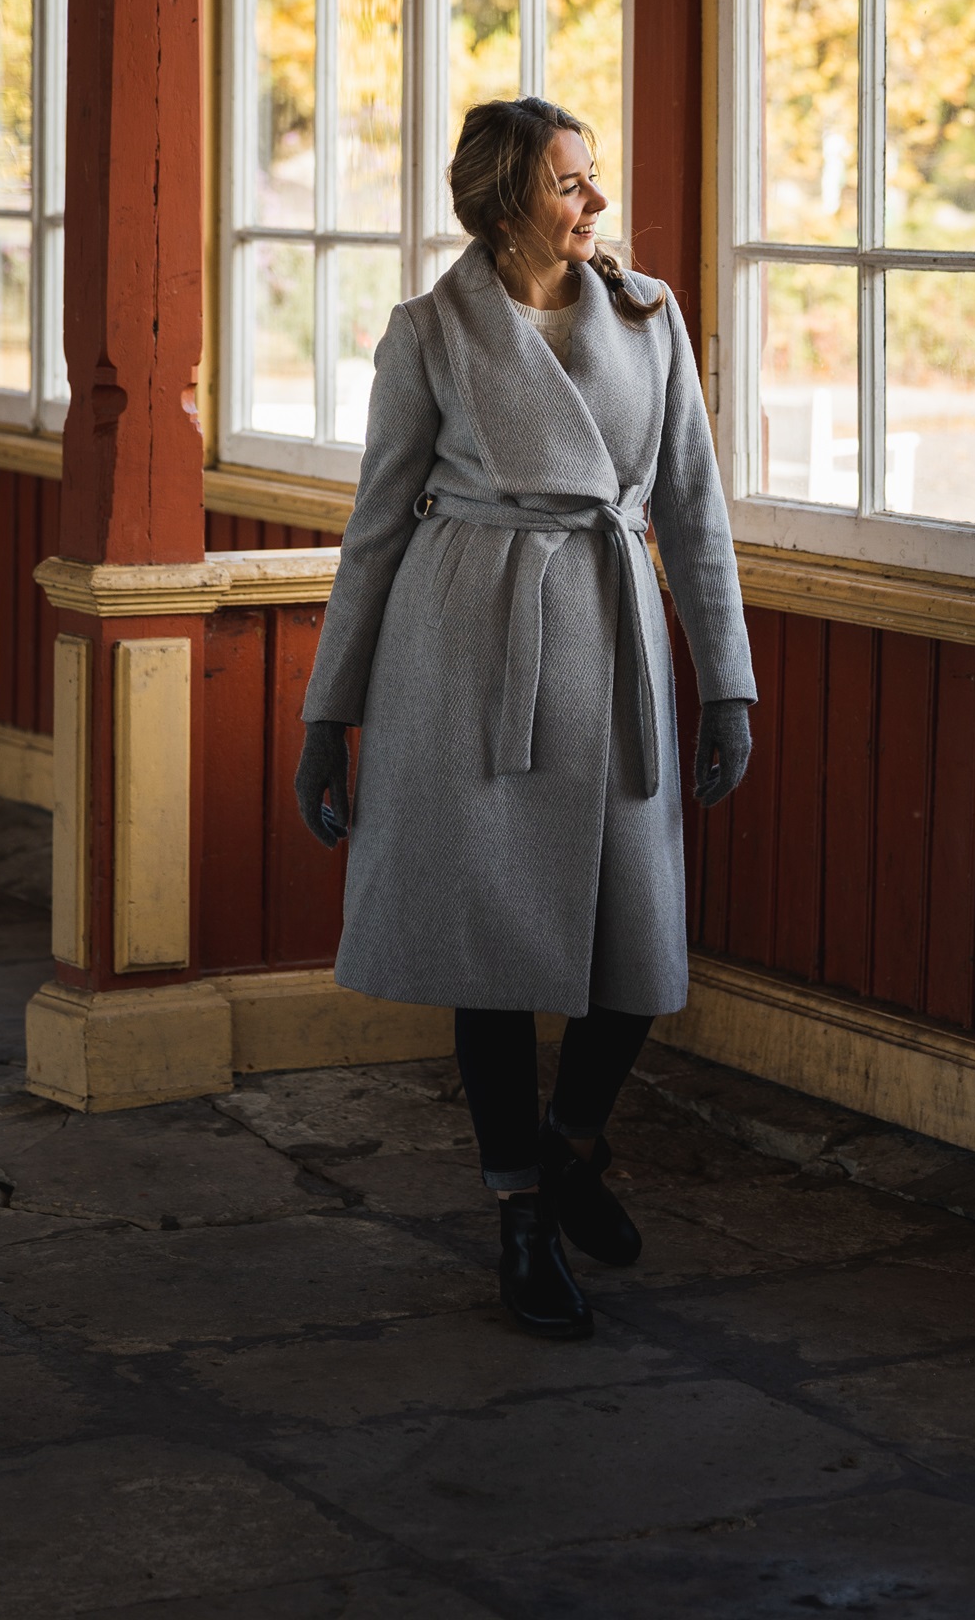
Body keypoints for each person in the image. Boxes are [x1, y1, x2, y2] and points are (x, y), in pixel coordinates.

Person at [293, 97, 756, 1341]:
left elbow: (694, 512)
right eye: (568, 183)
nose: (595, 203)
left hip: (609, 643)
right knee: (487, 952)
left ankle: (568, 1144)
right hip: (463, 656)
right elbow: (376, 525)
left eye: (592, 177)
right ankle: (516, 1214)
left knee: (639, 951)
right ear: (505, 203)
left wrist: (726, 679)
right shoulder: (430, 332)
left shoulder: (646, 318)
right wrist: (326, 709)